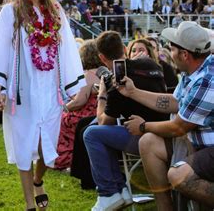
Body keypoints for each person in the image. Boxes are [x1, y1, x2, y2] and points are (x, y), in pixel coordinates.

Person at [0, 0, 86, 210]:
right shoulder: (11, 12)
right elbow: (0, 48)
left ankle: (38, 179)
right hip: (22, 90)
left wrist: (75, 86)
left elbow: (67, 48)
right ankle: (30, 203)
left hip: (50, 89)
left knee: (46, 146)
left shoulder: (55, 10)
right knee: (23, 145)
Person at [121, 21, 214, 209]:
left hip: (209, 148)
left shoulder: (207, 80)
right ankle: (165, 208)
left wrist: (142, 126)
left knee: (178, 176)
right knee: (148, 142)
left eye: (172, 49)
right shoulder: (195, 70)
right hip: (198, 145)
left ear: (185, 54)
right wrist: (133, 92)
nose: (170, 54)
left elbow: (178, 127)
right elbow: (174, 102)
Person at [83, 31, 170, 210]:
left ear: (101, 57)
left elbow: (104, 122)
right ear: (124, 48)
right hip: (165, 128)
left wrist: (102, 95)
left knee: (92, 133)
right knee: (94, 129)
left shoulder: (115, 81)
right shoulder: (150, 63)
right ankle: (119, 190)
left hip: (145, 137)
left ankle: (109, 192)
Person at [55, 40, 102, 170]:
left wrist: (63, 109)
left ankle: (65, 159)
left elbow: (79, 101)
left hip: (86, 114)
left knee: (61, 120)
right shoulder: (104, 72)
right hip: (98, 112)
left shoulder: (88, 75)